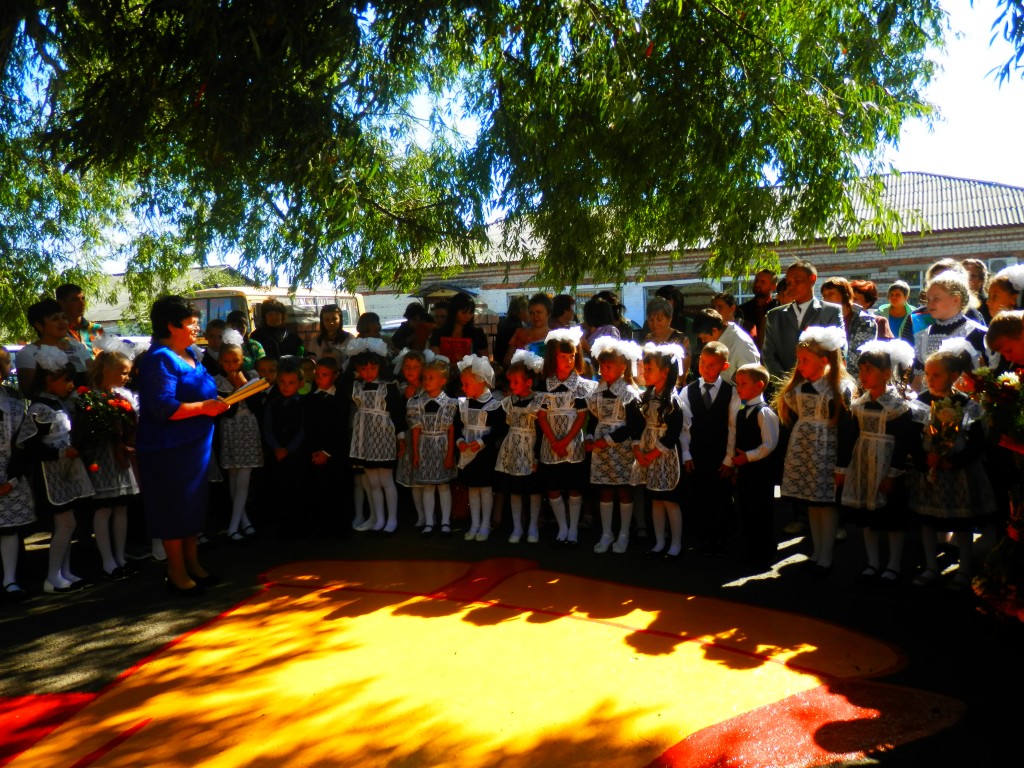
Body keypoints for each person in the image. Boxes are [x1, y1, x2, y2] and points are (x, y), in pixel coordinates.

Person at [134, 296, 230, 596]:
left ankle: (192, 564)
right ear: (171, 326)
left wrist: (213, 403)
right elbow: (162, 407)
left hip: (194, 446)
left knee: (191, 506)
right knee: (172, 508)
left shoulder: (190, 353)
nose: (197, 327)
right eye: (191, 323)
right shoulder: (159, 359)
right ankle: (175, 572)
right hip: (168, 448)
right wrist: (204, 407)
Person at [906, 343, 995, 588]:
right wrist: (924, 460)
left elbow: (977, 444)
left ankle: (964, 570)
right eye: (927, 374)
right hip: (929, 472)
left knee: (962, 522)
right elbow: (911, 437)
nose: (930, 379)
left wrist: (951, 461)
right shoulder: (920, 403)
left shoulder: (968, 406)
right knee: (928, 519)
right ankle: (931, 567)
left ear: (954, 376)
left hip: (958, 473)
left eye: (937, 375)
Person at [774, 326, 855, 575]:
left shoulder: (838, 389)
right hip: (804, 448)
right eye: (798, 360)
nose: (799, 366)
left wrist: (842, 466)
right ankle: (817, 551)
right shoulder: (799, 388)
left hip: (826, 451)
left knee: (826, 504)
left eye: (805, 360)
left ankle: (826, 554)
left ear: (824, 361)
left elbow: (847, 430)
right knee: (812, 502)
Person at [836, 339, 918, 585]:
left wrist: (893, 473)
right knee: (867, 518)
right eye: (861, 369)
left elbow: (903, 443)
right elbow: (850, 438)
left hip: (886, 467)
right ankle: (872, 562)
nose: (863, 375)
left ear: (886, 373)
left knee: (892, 518)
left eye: (869, 370)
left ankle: (893, 564)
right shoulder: (859, 405)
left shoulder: (898, 407)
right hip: (864, 466)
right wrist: (843, 469)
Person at [17, 346, 94, 594]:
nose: (71, 385)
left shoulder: (57, 403)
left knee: (68, 524)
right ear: (50, 379)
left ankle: (64, 571)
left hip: (64, 473)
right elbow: (28, 446)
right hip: (48, 476)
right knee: (65, 523)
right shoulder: (39, 408)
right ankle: (52, 577)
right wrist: (59, 453)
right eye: (67, 380)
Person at [80, 344, 141, 580]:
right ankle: (107, 561)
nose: (127, 378)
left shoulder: (121, 396)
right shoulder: (89, 397)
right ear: (107, 371)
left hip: (121, 457)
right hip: (102, 457)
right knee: (104, 508)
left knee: (121, 507)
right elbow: (86, 432)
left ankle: (120, 556)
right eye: (123, 373)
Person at [538, 327, 597, 546]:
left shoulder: (579, 386)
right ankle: (562, 527)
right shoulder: (545, 384)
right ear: (553, 358)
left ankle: (573, 529)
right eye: (563, 357)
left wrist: (565, 441)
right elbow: (541, 416)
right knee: (553, 487)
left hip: (573, 444)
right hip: (551, 444)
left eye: (571, 356)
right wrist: (554, 441)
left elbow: (581, 417)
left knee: (574, 486)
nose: (568, 361)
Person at [680, 341, 739, 556]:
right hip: (696, 454)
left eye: (713, 364)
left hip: (719, 455)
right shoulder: (688, 391)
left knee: (720, 496)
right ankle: (701, 536)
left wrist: (729, 459)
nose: (706, 368)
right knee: (698, 494)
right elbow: (684, 427)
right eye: (703, 362)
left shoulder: (731, 393)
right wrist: (686, 453)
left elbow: (733, 428)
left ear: (724, 366)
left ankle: (721, 535)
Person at [629, 343, 686, 558]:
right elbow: (638, 426)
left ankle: (676, 544)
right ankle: (659, 542)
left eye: (649, 368)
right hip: (647, 455)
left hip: (665, 456)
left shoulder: (672, 402)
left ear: (665, 372)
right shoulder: (646, 397)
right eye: (644, 368)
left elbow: (673, 435)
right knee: (655, 499)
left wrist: (652, 454)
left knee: (670, 500)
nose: (644, 372)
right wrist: (639, 450)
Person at [586, 338, 643, 554]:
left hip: (622, 448)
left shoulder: (628, 393)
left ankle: (624, 534)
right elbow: (594, 419)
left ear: (622, 368)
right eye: (601, 366)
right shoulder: (596, 391)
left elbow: (633, 426)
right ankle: (606, 533)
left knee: (623, 489)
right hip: (600, 449)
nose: (604, 370)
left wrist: (607, 440)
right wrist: (590, 437)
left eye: (609, 366)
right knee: (605, 489)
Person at [348, 338, 404, 533]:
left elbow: (397, 412)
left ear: (380, 366)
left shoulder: (389, 385)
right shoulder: (356, 385)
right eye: (363, 369)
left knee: (386, 480)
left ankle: (392, 519)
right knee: (372, 482)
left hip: (384, 436)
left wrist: (401, 437)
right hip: (364, 437)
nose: (368, 373)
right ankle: (378, 519)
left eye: (373, 368)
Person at [215, 331, 263, 542]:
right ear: (220, 361)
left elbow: (256, 406)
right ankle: (243, 521)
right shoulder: (217, 381)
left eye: (235, 361)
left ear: (242, 360)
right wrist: (236, 388)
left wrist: (244, 386)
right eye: (226, 361)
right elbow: (228, 411)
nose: (231, 365)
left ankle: (234, 526)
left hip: (248, 428)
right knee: (233, 477)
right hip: (230, 429)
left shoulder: (251, 377)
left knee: (244, 478)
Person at [762, 261, 845, 383]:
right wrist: (788, 383)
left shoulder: (831, 311)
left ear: (812, 279)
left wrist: (819, 382)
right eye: (789, 282)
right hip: (785, 387)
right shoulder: (775, 316)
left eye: (797, 281)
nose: (791, 286)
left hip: (822, 385)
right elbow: (769, 356)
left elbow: (839, 350)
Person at [731, 364, 780, 566]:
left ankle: (765, 550)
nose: (738, 388)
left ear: (759, 385)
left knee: (761, 510)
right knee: (747, 509)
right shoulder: (742, 410)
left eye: (743, 384)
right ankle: (752, 548)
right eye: (737, 384)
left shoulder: (764, 413)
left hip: (761, 473)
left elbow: (770, 443)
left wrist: (748, 457)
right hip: (746, 471)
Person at [495, 350, 545, 544]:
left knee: (533, 490)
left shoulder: (538, 401)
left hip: (530, 450)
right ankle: (517, 527)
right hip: (513, 450)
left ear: (528, 382)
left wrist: (536, 456)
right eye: (510, 382)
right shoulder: (509, 402)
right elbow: (504, 426)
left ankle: (533, 526)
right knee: (514, 489)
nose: (512, 386)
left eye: (516, 382)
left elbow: (541, 431)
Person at [455, 355, 504, 541]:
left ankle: (485, 524)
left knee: (485, 488)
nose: (463, 388)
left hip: (485, 453)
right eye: (463, 384)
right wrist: (460, 442)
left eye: (466, 384)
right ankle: (474, 523)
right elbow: (458, 426)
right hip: (467, 451)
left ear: (481, 382)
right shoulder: (463, 404)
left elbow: (499, 429)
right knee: (472, 488)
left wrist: (482, 442)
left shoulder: (494, 405)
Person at [0, 349, 35, 600]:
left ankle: (10, 579)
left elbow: (22, 439)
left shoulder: (12, 396)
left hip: (9, 467)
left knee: (8, 529)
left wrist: (12, 477)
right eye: (6, 363)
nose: (9, 367)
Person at [911, 270, 988, 386]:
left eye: (936, 299)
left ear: (956, 299)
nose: (930, 304)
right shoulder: (923, 336)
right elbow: (918, 380)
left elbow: (985, 378)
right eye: (928, 299)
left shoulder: (977, 332)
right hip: (928, 397)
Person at [303, 356, 349, 538]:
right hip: (314, 453)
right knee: (317, 489)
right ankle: (319, 525)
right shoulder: (310, 398)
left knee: (335, 490)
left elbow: (341, 428)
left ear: (335, 376)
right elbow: (308, 427)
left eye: (325, 375)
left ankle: (337, 528)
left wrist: (327, 452)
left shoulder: (341, 399)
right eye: (318, 374)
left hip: (334, 454)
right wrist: (314, 451)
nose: (320, 378)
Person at [410, 357, 457, 535]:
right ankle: (429, 522)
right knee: (428, 486)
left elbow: (451, 431)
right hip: (425, 446)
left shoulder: (450, 404)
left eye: (431, 378)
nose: (427, 381)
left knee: (443, 486)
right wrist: (416, 453)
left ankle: (445, 522)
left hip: (442, 446)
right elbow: (416, 429)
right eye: (425, 378)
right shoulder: (417, 403)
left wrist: (450, 455)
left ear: (442, 381)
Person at [15, 299, 90, 395]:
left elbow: (93, 376)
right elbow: (29, 392)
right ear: (39, 326)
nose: (62, 322)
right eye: (55, 319)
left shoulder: (77, 346)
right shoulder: (27, 354)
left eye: (64, 317)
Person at [393, 349, 428, 528]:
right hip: (408, 437)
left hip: (426, 438)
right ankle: (420, 516)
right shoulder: (400, 389)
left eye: (415, 367)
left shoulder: (428, 388)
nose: (410, 370)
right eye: (407, 366)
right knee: (415, 480)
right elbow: (398, 416)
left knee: (427, 479)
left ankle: (430, 516)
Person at [820, 276, 882, 373]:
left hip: (853, 378)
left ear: (845, 295)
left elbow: (857, 358)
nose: (825, 299)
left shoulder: (865, 321)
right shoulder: (822, 319)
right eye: (824, 296)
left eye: (831, 294)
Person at [692, 309, 760, 383]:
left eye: (705, 338)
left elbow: (750, 379)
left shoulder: (742, 345)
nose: (703, 341)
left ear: (714, 330)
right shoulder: (723, 333)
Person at [429, 292, 488, 365]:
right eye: (463, 312)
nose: (467, 316)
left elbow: (485, 362)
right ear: (454, 311)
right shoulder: (438, 334)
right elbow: (435, 362)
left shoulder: (478, 334)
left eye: (470, 313)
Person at [644, 297, 692, 379]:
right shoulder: (647, 339)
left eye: (659, 319)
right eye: (651, 320)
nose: (655, 324)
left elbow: (683, 374)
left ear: (669, 319)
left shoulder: (681, 340)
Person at [504, 293, 553, 367]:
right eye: (532, 313)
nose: (535, 316)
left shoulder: (555, 337)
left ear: (548, 314)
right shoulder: (519, 335)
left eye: (539, 312)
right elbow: (507, 360)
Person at [56, 283, 104, 358]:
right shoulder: (57, 331)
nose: (82, 303)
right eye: (75, 300)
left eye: (83, 298)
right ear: (61, 303)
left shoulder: (96, 328)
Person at [738, 269, 779, 351]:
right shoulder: (742, 309)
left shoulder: (779, 309)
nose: (757, 284)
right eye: (756, 280)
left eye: (762, 282)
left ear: (773, 287)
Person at [225, 310, 266, 374]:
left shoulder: (254, 345)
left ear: (246, 328)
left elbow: (264, 368)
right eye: (233, 326)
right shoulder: (222, 345)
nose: (237, 329)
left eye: (240, 326)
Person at [493, 295, 528, 366]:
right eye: (528, 310)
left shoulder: (503, 322)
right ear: (521, 309)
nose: (529, 314)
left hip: (499, 364)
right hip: (510, 366)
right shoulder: (518, 327)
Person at [962, 258, 991, 325]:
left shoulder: (988, 304)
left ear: (981, 280)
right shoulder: (956, 302)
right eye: (963, 275)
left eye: (972, 276)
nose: (967, 279)